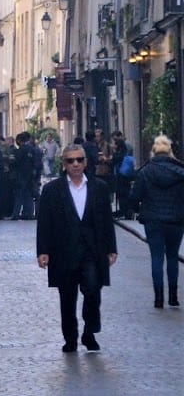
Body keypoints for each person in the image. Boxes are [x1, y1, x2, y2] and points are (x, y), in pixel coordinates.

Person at [36, 144, 117, 353]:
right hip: (63, 251)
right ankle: (70, 338)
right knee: (67, 297)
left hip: (92, 250)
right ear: (63, 164)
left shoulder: (99, 188)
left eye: (79, 160)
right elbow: (44, 222)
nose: (75, 164)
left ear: (85, 162)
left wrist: (111, 248)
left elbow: (107, 220)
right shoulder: (52, 190)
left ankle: (89, 331)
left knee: (92, 290)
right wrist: (43, 251)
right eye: (71, 160)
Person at [127, 135, 184, 308]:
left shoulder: (145, 171)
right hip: (176, 219)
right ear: (170, 152)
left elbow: (134, 197)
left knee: (157, 257)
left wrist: (138, 210)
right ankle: (173, 296)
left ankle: (159, 298)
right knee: (173, 256)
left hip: (153, 220)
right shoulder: (180, 172)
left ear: (153, 152)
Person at [12, 132, 43, 220]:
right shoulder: (34, 149)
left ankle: (16, 214)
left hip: (21, 175)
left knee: (19, 195)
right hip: (31, 176)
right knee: (29, 195)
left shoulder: (21, 149)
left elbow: (16, 162)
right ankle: (28, 213)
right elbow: (36, 163)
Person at [110, 131, 134, 219]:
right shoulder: (125, 153)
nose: (113, 145)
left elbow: (112, 162)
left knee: (121, 194)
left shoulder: (119, 154)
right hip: (126, 175)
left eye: (115, 144)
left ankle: (124, 211)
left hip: (121, 176)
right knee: (125, 193)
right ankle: (126, 211)